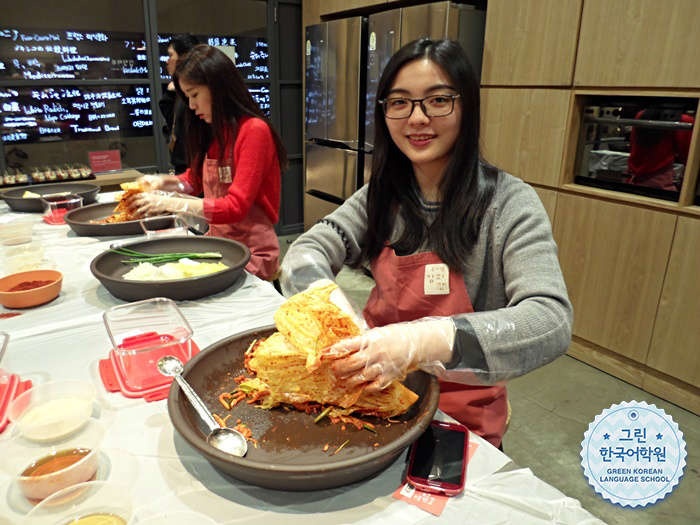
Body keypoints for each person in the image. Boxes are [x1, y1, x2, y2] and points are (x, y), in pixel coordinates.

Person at [280, 38, 573, 449]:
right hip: (373, 394)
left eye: (437, 100)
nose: (417, 118)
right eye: (399, 102)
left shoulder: (508, 203)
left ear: (466, 106)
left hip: (462, 415)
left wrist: (418, 342)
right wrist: (323, 298)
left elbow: (551, 321)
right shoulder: (381, 194)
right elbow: (307, 250)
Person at [127, 45, 288, 281]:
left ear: (218, 88)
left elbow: (236, 207)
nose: (191, 106)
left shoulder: (253, 131)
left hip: (252, 255)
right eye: (187, 97)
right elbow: (194, 181)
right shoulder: (214, 131)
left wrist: (172, 204)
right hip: (220, 247)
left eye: (194, 95)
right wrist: (162, 182)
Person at [626, 108, 695, 191]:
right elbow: (690, 160)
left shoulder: (641, 114)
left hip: (632, 178)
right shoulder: (684, 120)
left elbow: (632, 145)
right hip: (659, 183)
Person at [159, 33, 200, 174]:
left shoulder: (253, 129)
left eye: (170, 55)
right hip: (187, 170)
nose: (193, 105)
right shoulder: (178, 89)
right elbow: (174, 122)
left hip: (192, 167)